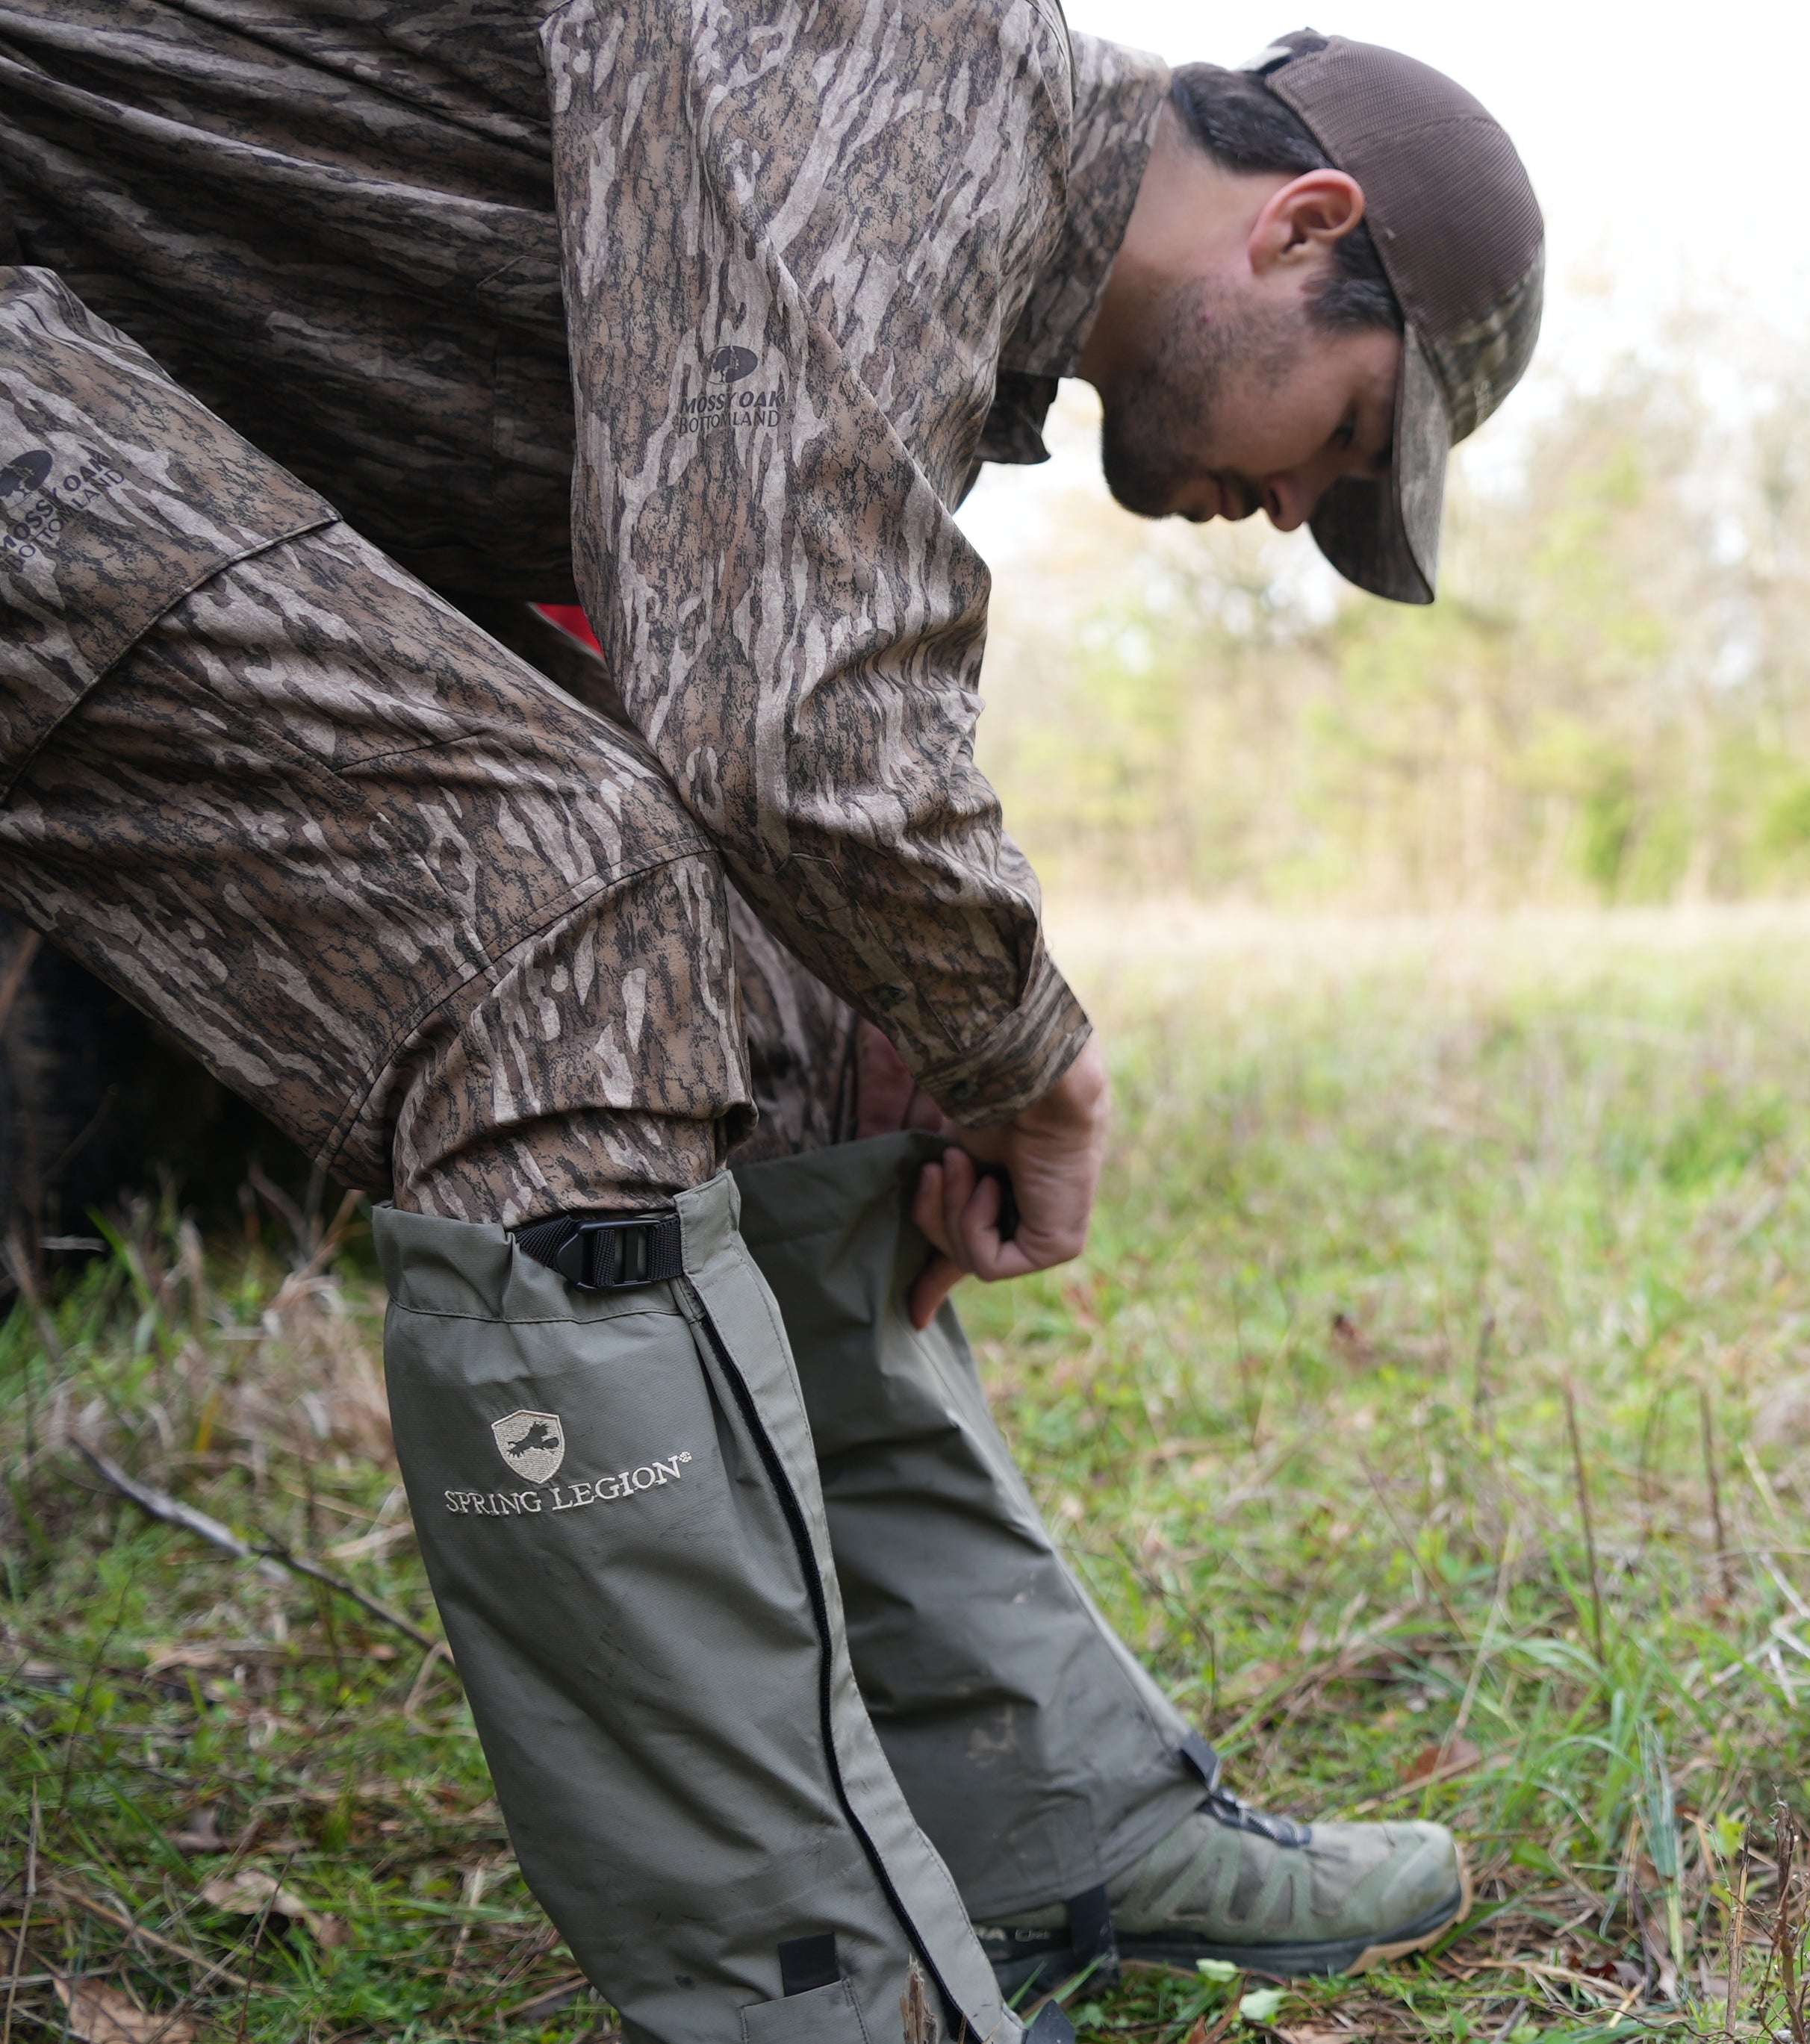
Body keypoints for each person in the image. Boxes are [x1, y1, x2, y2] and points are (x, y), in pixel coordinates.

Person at [0, 4, 1542, 2038]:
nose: (1291, 517)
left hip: (93, 370)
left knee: (815, 990)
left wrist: (911, 996)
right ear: (1300, 227)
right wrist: (1029, 1056)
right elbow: (792, 725)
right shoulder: (888, 43)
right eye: (1343, 446)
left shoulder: (927, 240)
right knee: (555, 919)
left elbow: (746, 653)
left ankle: (1039, 1815)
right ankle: (807, 1997)